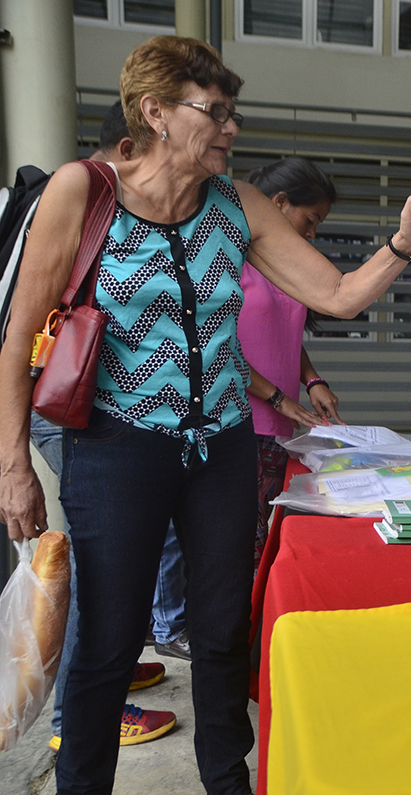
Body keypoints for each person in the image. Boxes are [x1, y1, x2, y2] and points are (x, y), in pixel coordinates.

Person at [0, 36, 411, 795]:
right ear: (155, 112)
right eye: (214, 112)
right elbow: (19, 335)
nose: (231, 128)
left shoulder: (237, 204)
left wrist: (401, 247)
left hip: (220, 446)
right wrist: (13, 466)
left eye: (232, 112)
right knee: (108, 644)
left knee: (221, 634)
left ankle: (228, 781)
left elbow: (339, 294)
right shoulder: (83, 192)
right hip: (116, 445)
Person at [24, 100, 179, 751]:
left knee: (138, 539)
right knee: (101, 555)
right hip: (73, 405)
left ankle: (112, 665)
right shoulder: (86, 208)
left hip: (103, 409)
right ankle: (81, 714)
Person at [240, 156, 343, 569]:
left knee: (267, 545)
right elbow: (219, 347)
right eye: (310, 219)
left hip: (280, 431)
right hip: (241, 424)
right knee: (241, 547)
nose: (313, 233)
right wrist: (280, 398)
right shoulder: (231, 259)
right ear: (279, 203)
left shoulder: (287, 270)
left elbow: (283, 333)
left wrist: (313, 379)